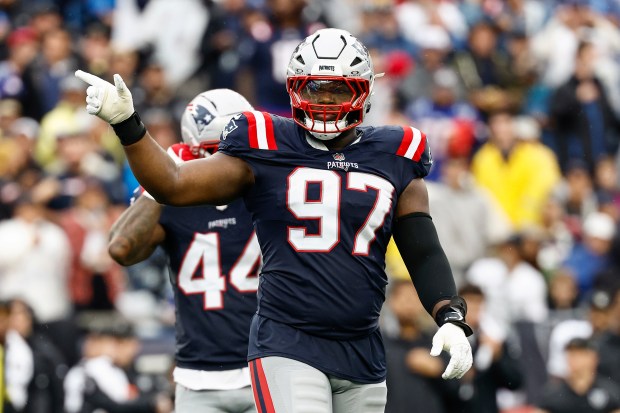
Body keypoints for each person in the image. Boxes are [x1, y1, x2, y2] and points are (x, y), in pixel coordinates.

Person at [75, 28, 473, 413]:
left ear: (364, 90)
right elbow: (174, 185)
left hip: (362, 346)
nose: (325, 101)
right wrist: (128, 124)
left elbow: (422, 250)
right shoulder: (266, 143)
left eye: (338, 89)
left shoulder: (394, 154)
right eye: (313, 87)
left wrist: (450, 316)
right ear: (293, 87)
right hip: (288, 341)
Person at [108, 89, 258, 413]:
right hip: (198, 376)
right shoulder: (173, 199)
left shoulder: (265, 191)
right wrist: (161, 183)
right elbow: (121, 248)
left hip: (266, 368)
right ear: (195, 151)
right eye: (219, 151)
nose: (227, 162)